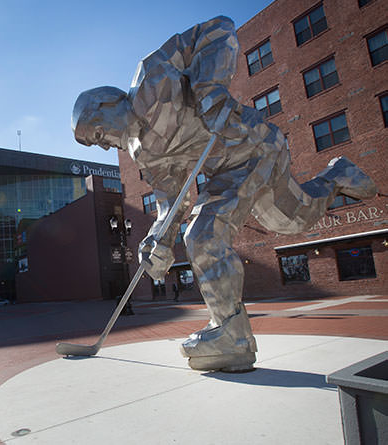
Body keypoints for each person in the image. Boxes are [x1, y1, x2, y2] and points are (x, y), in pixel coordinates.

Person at [71, 16, 376, 371]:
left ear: (107, 106)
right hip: (228, 171)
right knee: (293, 220)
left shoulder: (152, 76)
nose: (105, 147)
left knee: (203, 236)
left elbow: (219, 28)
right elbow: (173, 198)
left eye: (97, 135)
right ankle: (337, 176)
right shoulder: (143, 152)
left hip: (254, 144)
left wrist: (208, 90)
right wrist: (159, 237)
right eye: (97, 144)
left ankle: (233, 336)